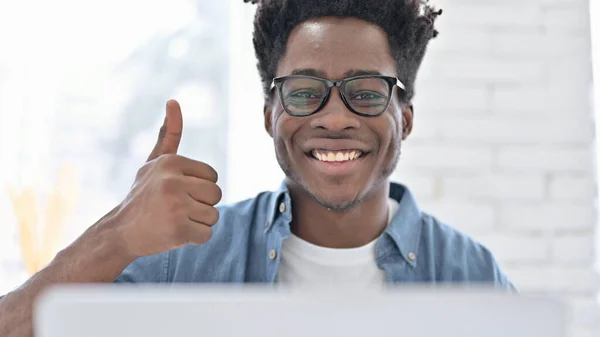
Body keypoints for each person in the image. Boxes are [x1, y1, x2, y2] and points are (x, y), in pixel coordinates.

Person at [0, 0, 514, 336]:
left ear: (404, 117)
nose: (335, 118)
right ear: (271, 116)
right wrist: (116, 238)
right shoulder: (180, 262)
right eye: (306, 92)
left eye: (365, 92)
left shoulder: (473, 277)